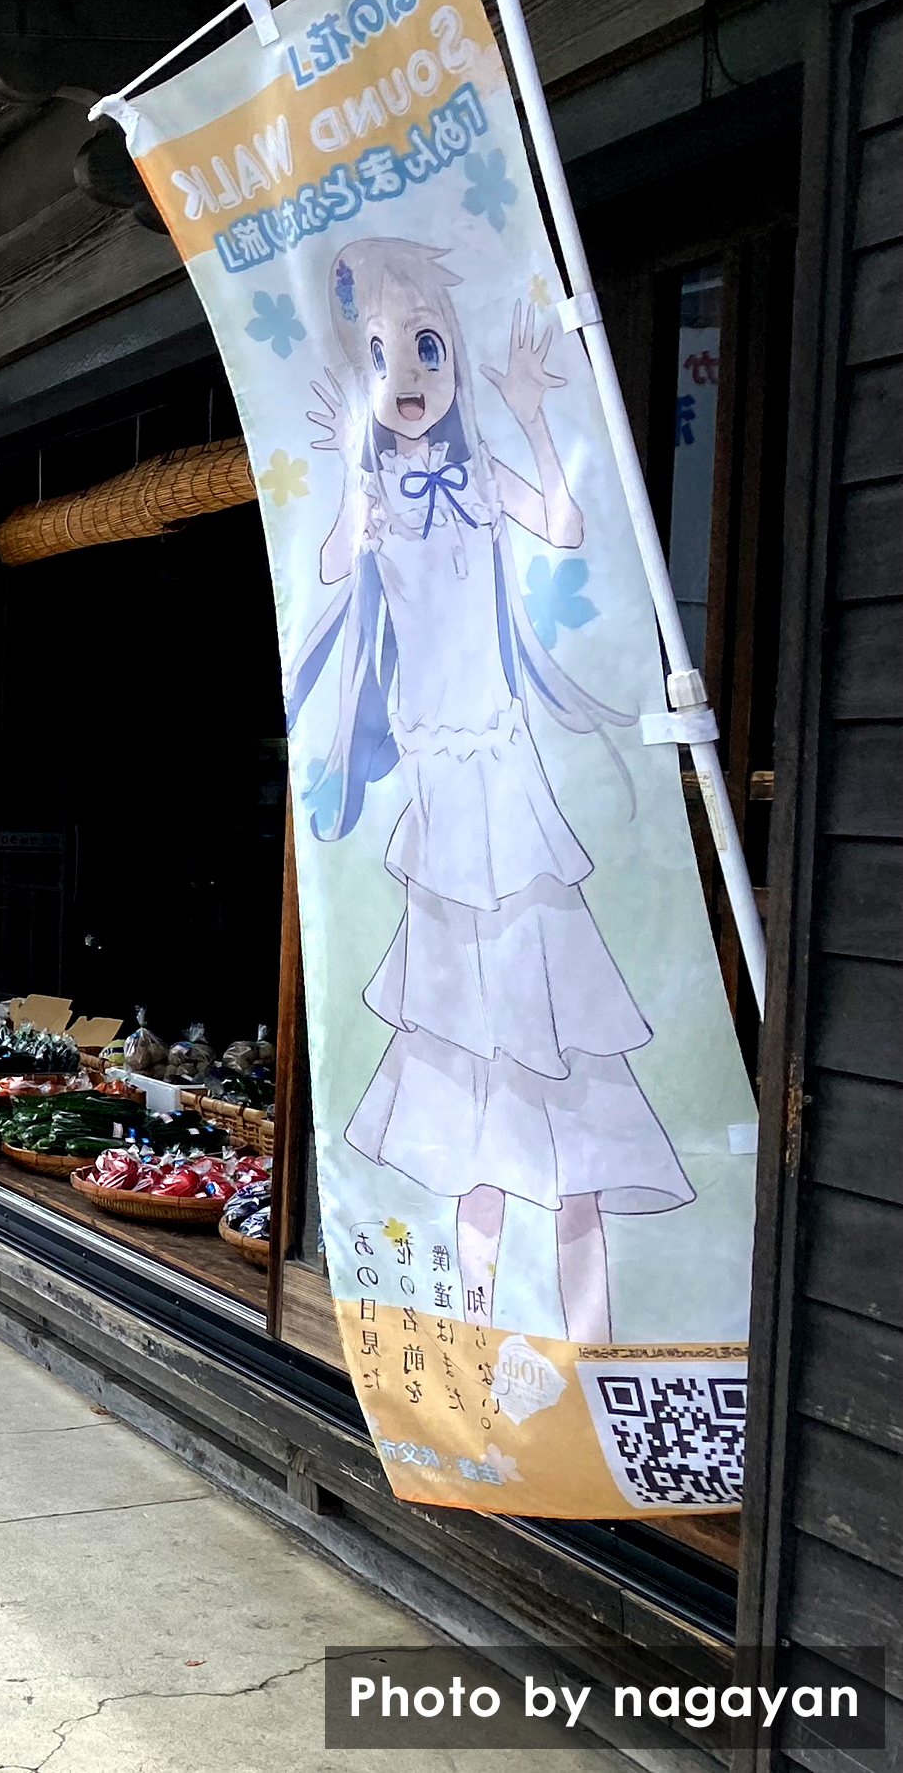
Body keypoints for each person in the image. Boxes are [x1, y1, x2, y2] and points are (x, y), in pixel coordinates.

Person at [285, 236, 685, 1346]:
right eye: (384, 356)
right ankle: (472, 1344)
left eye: (426, 348)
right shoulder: (373, 497)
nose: (409, 377)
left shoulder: (470, 477)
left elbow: (562, 525)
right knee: (460, 1058)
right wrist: (346, 497)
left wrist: (531, 406)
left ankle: (587, 1346)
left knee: (551, 1041)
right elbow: (324, 568)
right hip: (437, 788)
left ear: (453, 360)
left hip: (506, 776)